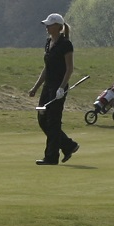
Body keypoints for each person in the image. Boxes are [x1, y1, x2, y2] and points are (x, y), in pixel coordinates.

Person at [27, 13, 79, 165]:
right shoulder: (48, 42)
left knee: (53, 122)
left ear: (57, 26)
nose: (47, 27)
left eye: (49, 25)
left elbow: (69, 69)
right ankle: (68, 145)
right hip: (48, 86)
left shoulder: (66, 44)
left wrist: (62, 88)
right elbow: (47, 68)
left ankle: (51, 157)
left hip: (59, 87)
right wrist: (35, 87)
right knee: (42, 120)